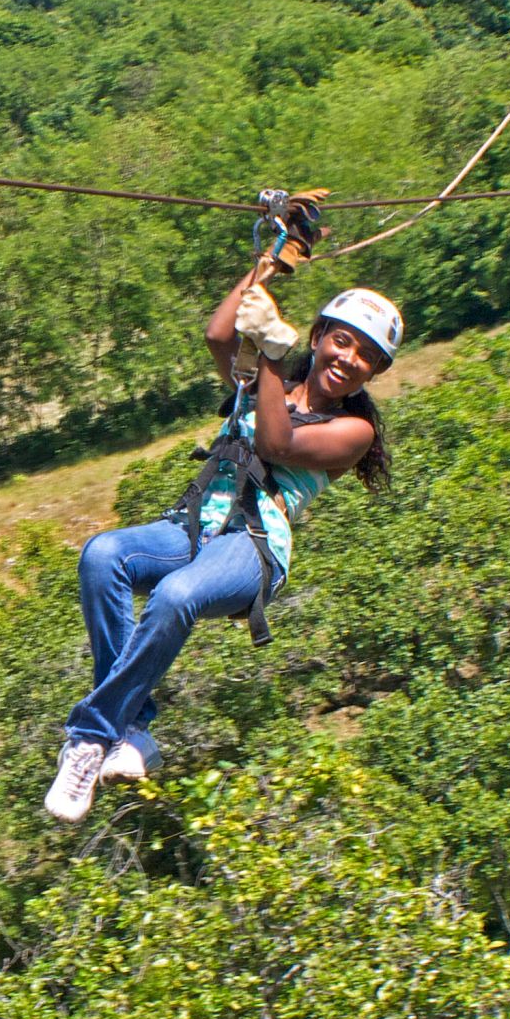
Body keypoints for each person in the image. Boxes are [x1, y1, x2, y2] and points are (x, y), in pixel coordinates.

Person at [43, 255, 402, 824]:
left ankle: (90, 739)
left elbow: (277, 444)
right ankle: (130, 727)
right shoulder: (269, 379)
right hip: (199, 525)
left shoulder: (353, 431)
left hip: (255, 547)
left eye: (365, 357)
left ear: (373, 374)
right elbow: (218, 334)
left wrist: (270, 357)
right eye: (341, 342)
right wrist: (268, 265)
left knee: (177, 596)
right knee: (103, 555)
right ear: (320, 336)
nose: (347, 360)